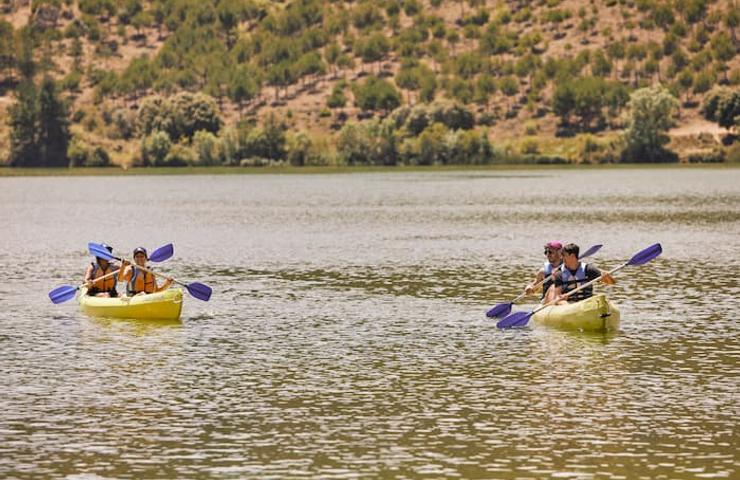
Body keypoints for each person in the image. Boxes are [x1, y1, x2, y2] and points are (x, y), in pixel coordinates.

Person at [545, 243, 615, 304]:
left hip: (587, 302)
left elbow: (611, 283)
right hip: (568, 303)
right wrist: (561, 297)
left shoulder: (588, 269)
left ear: (572, 256)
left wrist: (607, 277)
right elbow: (557, 295)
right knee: (561, 302)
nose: (561, 258)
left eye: (563, 255)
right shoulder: (559, 273)